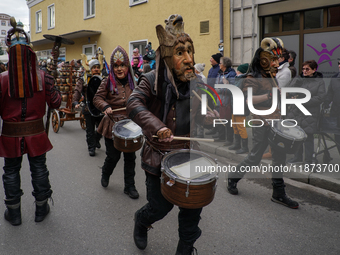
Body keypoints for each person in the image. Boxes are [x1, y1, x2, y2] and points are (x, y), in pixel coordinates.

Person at [127, 14, 213, 254]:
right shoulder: (152, 79)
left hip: (190, 155)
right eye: (180, 53)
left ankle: (185, 249)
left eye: (190, 52)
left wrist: (213, 117)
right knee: (160, 207)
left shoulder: (197, 83)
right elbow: (133, 103)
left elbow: (205, 113)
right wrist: (158, 126)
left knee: (192, 208)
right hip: (159, 155)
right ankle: (142, 221)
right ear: (167, 56)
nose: (188, 59)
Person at [0, 19, 61, 226]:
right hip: (36, 133)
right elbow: (57, 102)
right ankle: (41, 208)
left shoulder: (2, 80)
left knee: (10, 171)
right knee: (39, 169)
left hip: (10, 134)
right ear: (30, 51)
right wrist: (52, 85)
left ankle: (14, 213)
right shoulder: (43, 77)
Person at [227, 37, 299, 209]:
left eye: (278, 59)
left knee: (279, 157)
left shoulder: (271, 76)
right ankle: (232, 177)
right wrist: (269, 96)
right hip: (261, 123)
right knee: (255, 157)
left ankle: (278, 193)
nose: (277, 63)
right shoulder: (252, 77)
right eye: (273, 59)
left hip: (276, 122)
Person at [93, 45, 139, 199]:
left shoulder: (135, 81)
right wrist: (105, 106)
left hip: (131, 126)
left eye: (122, 65)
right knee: (113, 156)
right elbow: (97, 98)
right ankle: (105, 173)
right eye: (116, 66)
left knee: (130, 158)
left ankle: (129, 186)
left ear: (127, 66)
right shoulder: (107, 81)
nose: (119, 69)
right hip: (112, 124)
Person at [287, 60, 326, 164]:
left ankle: (308, 160)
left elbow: (320, 98)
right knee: (296, 135)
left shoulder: (319, 82)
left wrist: (303, 100)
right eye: (303, 69)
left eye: (307, 69)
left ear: (314, 70)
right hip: (296, 111)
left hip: (310, 112)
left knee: (308, 136)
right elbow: (290, 89)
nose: (304, 71)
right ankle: (297, 156)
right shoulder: (299, 79)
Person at [72, 59, 103, 157]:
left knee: (102, 128)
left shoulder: (103, 78)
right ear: (90, 69)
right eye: (94, 67)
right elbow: (77, 90)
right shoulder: (83, 79)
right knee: (90, 129)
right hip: (88, 108)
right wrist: (75, 102)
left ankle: (96, 139)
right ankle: (91, 147)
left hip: (101, 107)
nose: (96, 69)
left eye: (98, 67)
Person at [213, 57, 236, 145]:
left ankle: (229, 139)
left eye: (220, 63)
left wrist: (220, 89)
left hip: (227, 101)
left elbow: (232, 89)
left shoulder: (231, 74)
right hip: (219, 100)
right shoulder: (219, 74)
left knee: (228, 121)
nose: (219, 65)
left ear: (225, 65)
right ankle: (221, 136)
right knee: (219, 118)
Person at [228, 63, 250, 154]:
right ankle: (237, 144)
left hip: (240, 106)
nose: (236, 72)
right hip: (236, 105)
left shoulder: (243, 80)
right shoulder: (239, 79)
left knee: (241, 127)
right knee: (235, 125)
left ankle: (245, 147)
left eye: (238, 70)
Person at [324, 60, 340, 154]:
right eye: (339, 63)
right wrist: (326, 103)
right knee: (337, 136)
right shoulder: (334, 78)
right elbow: (330, 93)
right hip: (336, 112)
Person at [205, 52, 223, 136]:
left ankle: (219, 130)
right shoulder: (211, 69)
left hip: (216, 95)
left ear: (216, 60)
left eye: (212, 58)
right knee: (211, 112)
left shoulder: (219, 70)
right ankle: (213, 128)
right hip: (209, 94)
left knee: (217, 113)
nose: (210, 60)